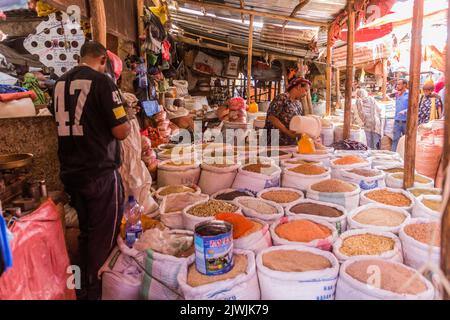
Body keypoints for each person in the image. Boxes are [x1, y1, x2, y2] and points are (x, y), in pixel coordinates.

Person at [51, 41, 131, 300]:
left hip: (71, 173)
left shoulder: (59, 84)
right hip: (99, 172)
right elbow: (120, 131)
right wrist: (126, 118)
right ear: (103, 60)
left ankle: (81, 286)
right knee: (104, 236)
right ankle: (97, 292)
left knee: (86, 233)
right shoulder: (103, 82)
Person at [264, 76, 310, 146]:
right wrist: (287, 132)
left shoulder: (298, 104)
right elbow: (272, 118)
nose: (306, 94)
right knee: (272, 156)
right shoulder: (282, 98)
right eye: (306, 90)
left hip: (289, 142)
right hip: (274, 140)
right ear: (299, 86)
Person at [392, 79, 409, 152]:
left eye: (399, 84)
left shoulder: (409, 95)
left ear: (404, 85)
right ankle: (393, 157)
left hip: (406, 122)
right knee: (395, 140)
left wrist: (405, 111)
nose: (397, 86)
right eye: (397, 84)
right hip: (397, 121)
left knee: (407, 141)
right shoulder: (397, 94)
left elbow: (413, 107)